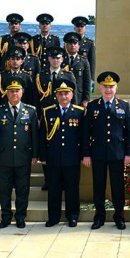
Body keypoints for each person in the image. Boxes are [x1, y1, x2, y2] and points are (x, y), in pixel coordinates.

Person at [82, 71, 130, 230]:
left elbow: (129, 131)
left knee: (117, 187)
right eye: (105, 87)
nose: (108, 90)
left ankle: (119, 216)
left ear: (116, 88)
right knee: (98, 186)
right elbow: (85, 132)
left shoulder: (124, 105)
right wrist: (86, 154)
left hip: (117, 154)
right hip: (97, 153)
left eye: (111, 87)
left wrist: (128, 153)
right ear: (100, 88)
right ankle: (99, 217)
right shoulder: (92, 106)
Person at [0, 79, 38, 229]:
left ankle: (20, 217)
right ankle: (5, 217)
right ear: (7, 93)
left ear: (22, 93)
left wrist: (35, 155)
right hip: (4, 158)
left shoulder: (30, 111)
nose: (14, 93)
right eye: (11, 91)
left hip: (24, 157)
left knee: (23, 190)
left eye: (17, 91)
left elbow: (34, 135)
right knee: (5, 190)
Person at [39, 78, 85, 227]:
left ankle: (72, 216)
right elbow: (42, 136)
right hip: (53, 159)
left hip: (72, 158)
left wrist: (83, 155)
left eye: (66, 94)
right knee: (53, 189)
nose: (63, 97)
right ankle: (54, 217)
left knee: (72, 188)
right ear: (56, 95)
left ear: (72, 95)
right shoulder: (48, 112)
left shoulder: (79, 113)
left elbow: (83, 137)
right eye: (60, 94)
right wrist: (43, 156)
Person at [36, 46, 76, 191]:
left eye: (58, 58)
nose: (55, 60)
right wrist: (38, 117)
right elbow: (36, 98)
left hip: (65, 114)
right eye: (53, 58)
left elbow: (74, 97)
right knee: (48, 146)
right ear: (48, 59)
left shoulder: (69, 75)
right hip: (47, 116)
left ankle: (64, 181)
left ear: (62, 59)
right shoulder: (41, 75)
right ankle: (48, 180)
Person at [63, 32, 91, 107]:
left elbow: (87, 81)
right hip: (63, 96)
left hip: (79, 97)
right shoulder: (61, 59)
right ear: (66, 45)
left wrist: (86, 99)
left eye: (75, 43)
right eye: (70, 43)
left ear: (79, 46)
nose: (72, 45)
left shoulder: (84, 61)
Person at [72, 16, 96, 80]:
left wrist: (91, 78)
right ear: (74, 28)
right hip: (71, 73)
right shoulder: (69, 42)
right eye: (77, 26)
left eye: (82, 26)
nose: (80, 28)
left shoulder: (89, 43)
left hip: (84, 75)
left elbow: (92, 61)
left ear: (85, 28)